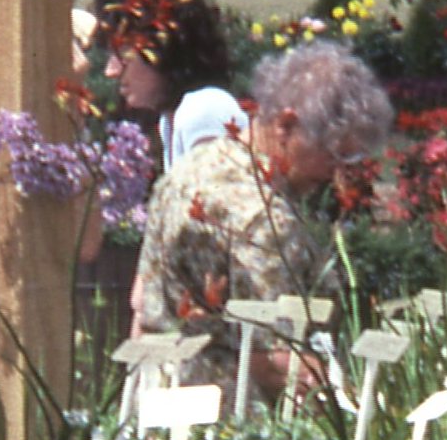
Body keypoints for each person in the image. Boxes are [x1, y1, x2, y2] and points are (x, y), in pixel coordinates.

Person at [133, 43, 394, 399]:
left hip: (158, 397)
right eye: (334, 153)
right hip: (226, 418)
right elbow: (277, 361)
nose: (338, 171)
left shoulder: (190, 169)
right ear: (286, 126)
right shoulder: (263, 217)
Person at [92, 0, 246, 171]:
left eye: (123, 53)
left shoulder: (203, 109)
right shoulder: (171, 122)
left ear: (164, 49)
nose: (111, 71)